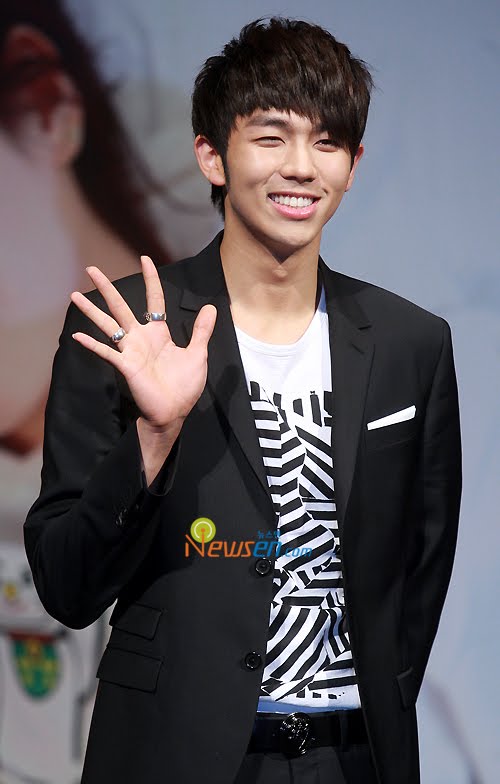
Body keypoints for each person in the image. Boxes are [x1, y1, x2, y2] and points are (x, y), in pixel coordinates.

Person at [24, 17, 462, 784]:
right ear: (211, 155)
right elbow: (66, 586)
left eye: (327, 142)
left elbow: (420, 570)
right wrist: (155, 437)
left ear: (353, 165)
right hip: (172, 753)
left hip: (351, 757)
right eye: (270, 137)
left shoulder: (410, 343)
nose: (300, 167)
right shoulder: (129, 328)